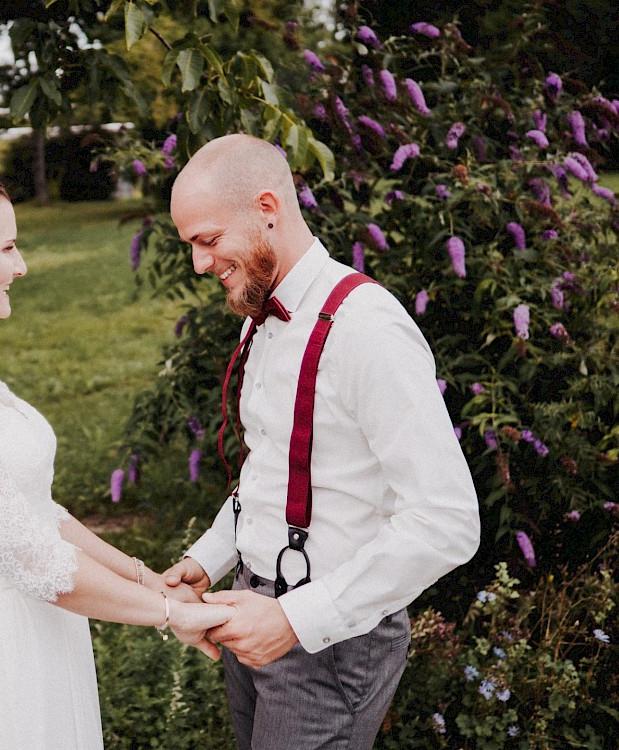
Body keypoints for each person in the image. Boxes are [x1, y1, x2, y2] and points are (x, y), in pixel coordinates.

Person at [0, 159, 233, 749]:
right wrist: (172, 616)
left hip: (44, 635)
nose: (21, 265)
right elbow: (29, 555)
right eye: (8, 247)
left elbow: (37, 513)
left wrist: (149, 580)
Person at [162, 134, 480, 749]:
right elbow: (272, 471)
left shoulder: (367, 330)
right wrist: (208, 559)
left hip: (330, 641)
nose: (200, 264)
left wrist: (294, 618)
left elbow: (446, 519)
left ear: (266, 209)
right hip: (249, 608)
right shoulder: (268, 315)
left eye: (208, 240)